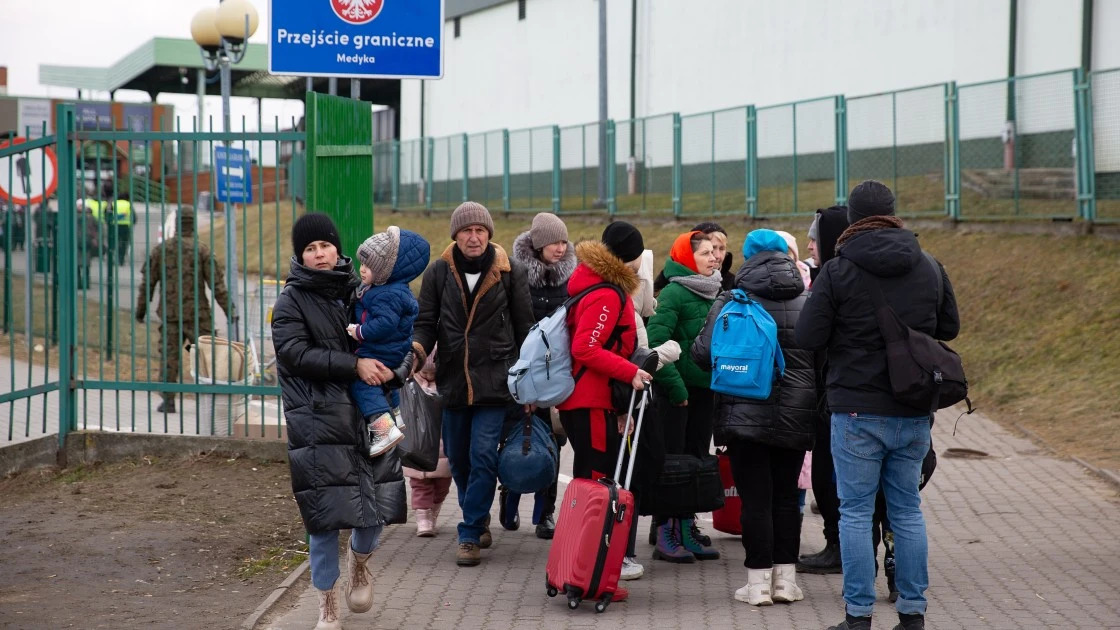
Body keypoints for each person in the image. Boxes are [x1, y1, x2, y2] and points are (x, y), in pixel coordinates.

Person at [795, 181, 960, 630]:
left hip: (855, 410)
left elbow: (808, 336)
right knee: (906, 510)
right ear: (893, 213)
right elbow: (950, 325)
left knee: (855, 512)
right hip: (912, 409)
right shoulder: (928, 264)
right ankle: (912, 613)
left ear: (851, 218)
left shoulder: (837, 269)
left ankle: (858, 616)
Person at [271, 212, 407, 629]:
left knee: (377, 508)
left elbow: (400, 336)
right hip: (319, 423)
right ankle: (327, 603)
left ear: (337, 247)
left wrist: (396, 371)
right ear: (301, 256)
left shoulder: (364, 289)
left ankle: (360, 563)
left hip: (373, 416)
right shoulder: (290, 302)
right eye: (309, 249)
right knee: (324, 518)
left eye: (324, 245)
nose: (319, 254)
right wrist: (354, 365)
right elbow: (294, 354)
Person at [692, 229, 816, 606]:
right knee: (784, 499)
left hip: (743, 415)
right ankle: (786, 583)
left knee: (755, 501)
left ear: (747, 258)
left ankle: (758, 585)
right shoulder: (808, 300)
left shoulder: (733, 299)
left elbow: (701, 353)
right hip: (796, 415)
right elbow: (822, 359)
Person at [410, 201, 535, 567]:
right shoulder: (438, 273)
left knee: (482, 456)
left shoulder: (511, 272)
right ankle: (478, 517)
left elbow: (525, 329)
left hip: (495, 382)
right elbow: (426, 323)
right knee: (461, 462)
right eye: (467, 230)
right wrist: (416, 353)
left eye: (480, 230)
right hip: (453, 380)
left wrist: (527, 383)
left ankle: (468, 534)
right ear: (456, 235)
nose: (474, 236)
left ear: (489, 234)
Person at [556, 220, 652, 600]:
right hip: (589, 401)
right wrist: (632, 373)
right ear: (627, 258)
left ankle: (579, 568)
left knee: (587, 484)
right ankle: (591, 573)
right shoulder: (607, 293)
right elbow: (586, 348)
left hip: (586, 401)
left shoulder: (590, 281)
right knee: (598, 486)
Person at [645, 230, 723, 563]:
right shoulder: (676, 292)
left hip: (705, 392)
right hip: (676, 395)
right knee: (671, 463)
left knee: (695, 461)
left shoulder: (717, 291)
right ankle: (665, 533)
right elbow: (655, 344)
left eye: (715, 252)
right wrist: (676, 389)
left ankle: (687, 529)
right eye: (706, 253)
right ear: (688, 258)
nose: (714, 257)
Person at [502, 212, 576, 539]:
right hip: (523, 372)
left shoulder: (570, 277)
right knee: (520, 437)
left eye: (563, 241)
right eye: (552, 242)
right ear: (537, 244)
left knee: (554, 443)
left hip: (558, 374)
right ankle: (510, 495)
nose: (559, 248)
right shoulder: (516, 274)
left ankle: (545, 513)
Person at [135, 207, 235, 414]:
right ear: (194, 224)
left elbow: (147, 285)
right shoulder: (202, 250)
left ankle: (168, 400)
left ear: (177, 224)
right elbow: (217, 286)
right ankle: (209, 398)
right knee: (207, 357)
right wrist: (230, 311)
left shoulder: (161, 250)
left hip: (171, 316)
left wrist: (140, 311)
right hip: (198, 315)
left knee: (169, 357)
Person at [797, 205, 851, 576]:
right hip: (866, 395)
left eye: (815, 236)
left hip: (836, 396)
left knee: (834, 476)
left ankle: (840, 547)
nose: (809, 243)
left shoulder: (835, 277)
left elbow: (809, 337)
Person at [346, 226, 430, 457]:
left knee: (364, 386)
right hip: (394, 350)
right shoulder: (389, 289)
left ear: (385, 270)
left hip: (381, 349)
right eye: (361, 264)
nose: (362, 270)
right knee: (384, 381)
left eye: (368, 266)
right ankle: (397, 413)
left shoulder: (386, 294)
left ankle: (383, 431)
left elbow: (385, 323)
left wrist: (360, 332)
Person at [404, 349, 453, 538]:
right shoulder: (411, 385)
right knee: (420, 486)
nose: (429, 376)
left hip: (442, 447)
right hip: (419, 447)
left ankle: (434, 510)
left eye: (433, 373)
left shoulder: (446, 386)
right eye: (425, 372)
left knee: (442, 485)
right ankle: (423, 518)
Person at [654, 221, 734, 293]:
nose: (717, 256)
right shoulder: (667, 284)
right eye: (711, 249)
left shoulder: (733, 283)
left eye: (722, 249)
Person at [111, 190, 134, 266]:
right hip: (125, 226)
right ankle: (121, 259)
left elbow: (108, 214)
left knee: (114, 243)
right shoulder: (128, 204)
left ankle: (113, 258)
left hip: (114, 226)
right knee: (123, 243)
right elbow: (134, 217)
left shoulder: (113, 204)